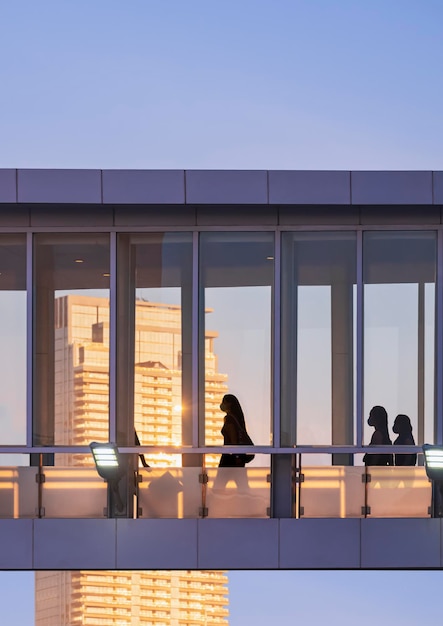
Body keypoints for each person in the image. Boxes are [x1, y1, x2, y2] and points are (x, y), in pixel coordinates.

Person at [218, 394, 248, 468]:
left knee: (220, 479)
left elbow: (233, 438)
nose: (222, 404)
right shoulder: (237, 419)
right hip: (237, 456)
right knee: (240, 478)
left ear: (230, 404)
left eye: (224, 402)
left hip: (229, 456)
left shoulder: (229, 419)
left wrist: (236, 455)